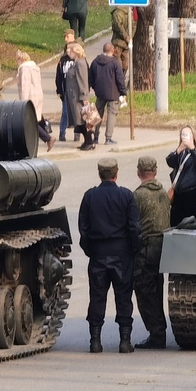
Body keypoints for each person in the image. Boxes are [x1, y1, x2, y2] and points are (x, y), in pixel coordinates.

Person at [78, 157, 142, 354]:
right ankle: (125, 341)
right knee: (124, 298)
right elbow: (134, 227)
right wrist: (134, 249)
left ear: (100, 174)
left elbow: (83, 229)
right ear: (116, 174)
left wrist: (90, 250)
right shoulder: (126, 196)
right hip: (122, 254)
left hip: (98, 253)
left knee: (97, 297)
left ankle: (95, 342)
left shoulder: (90, 196)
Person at [132, 155, 170, 350]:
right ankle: (159, 330)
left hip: (146, 248)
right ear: (155, 172)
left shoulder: (138, 196)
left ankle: (156, 333)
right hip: (162, 246)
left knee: (145, 292)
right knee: (157, 289)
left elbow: (132, 225)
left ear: (139, 172)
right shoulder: (163, 192)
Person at [166, 125, 196, 226]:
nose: (184, 137)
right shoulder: (180, 152)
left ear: (192, 136)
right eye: (182, 135)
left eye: (187, 134)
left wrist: (192, 148)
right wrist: (178, 151)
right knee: (175, 222)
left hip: (192, 193)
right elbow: (170, 162)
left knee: (192, 224)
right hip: (179, 194)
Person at [88, 43, 126, 145]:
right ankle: (108, 138)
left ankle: (95, 137)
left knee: (97, 114)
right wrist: (123, 92)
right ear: (112, 50)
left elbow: (90, 78)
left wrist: (95, 88)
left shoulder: (95, 62)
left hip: (100, 93)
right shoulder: (115, 62)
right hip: (113, 93)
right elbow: (120, 79)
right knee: (112, 114)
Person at [16, 50, 54, 151]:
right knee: (37, 117)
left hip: (29, 97)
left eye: (17, 59)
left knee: (31, 121)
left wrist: (23, 103)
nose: (16, 62)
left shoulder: (24, 68)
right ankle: (47, 131)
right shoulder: (34, 68)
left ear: (21, 59)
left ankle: (48, 138)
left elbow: (25, 86)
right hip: (38, 95)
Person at [63, 42, 94, 150]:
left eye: (70, 50)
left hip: (79, 98)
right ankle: (87, 141)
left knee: (83, 120)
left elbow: (83, 80)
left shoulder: (80, 63)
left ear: (76, 51)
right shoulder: (76, 62)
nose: (68, 52)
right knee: (79, 121)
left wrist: (84, 96)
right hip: (74, 97)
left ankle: (89, 142)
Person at [54, 29, 77, 141]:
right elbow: (58, 76)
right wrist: (59, 90)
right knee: (65, 112)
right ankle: (62, 133)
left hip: (76, 90)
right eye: (67, 49)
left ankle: (77, 134)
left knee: (76, 113)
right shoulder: (62, 61)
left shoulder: (78, 60)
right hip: (65, 90)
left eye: (70, 49)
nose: (68, 51)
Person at [111, 6, 131, 73]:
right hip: (126, 42)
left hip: (118, 41)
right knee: (125, 60)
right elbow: (134, 25)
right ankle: (123, 75)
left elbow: (119, 27)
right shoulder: (130, 12)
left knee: (116, 60)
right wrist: (130, 37)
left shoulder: (117, 13)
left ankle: (119, 75)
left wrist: (126, 37)